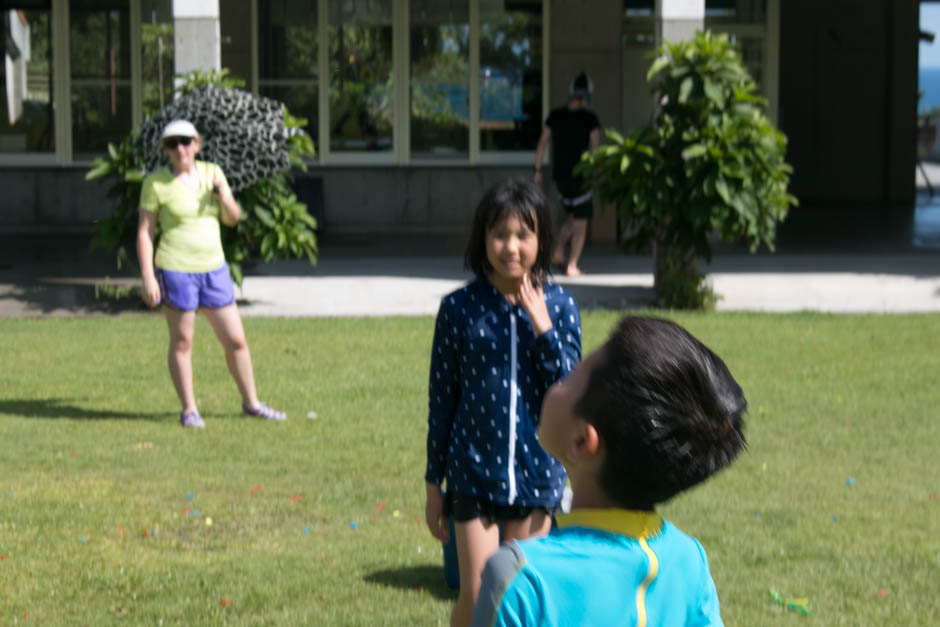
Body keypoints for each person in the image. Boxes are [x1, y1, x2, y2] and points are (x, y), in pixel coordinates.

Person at [471, 315, 748, 627]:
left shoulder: (522, 578)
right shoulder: (688, 562)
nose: (558, 382)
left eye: (570, 377)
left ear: (582, 442)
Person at [425, 178, 582, 627]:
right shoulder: (460, 308)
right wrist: (434, 482)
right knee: (478, 594)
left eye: (523, 235)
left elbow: (570, 390)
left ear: (541, 240)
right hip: (473, 473)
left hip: (536, 473)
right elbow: (442, 399)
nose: (510, 247)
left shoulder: (560, 306)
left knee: (523, 599)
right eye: (499, 234)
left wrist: (542, 327)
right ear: (483, 239)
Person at [136, 119, 286, 429]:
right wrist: (149, 277)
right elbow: (145, 232)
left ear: (197, 144)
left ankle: (252, 404)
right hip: (177, 270)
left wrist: (222, 196)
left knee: (236, 340)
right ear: (165, 150)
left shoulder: (212, 174)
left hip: (214, 269)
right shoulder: (156, 183)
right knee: (182, 342)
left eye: (186, 141)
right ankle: (189, 410)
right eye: (172, 143)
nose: (180, 148)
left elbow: (232, 219)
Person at [534, 72, 602, 278]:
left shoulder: (555, 115)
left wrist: (537, 171)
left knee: (572, 217)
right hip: (581, 178)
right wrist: (597, 172)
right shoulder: (590, 118)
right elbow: (596, 148)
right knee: (581, 222)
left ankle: (557, 250)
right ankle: (572, 265)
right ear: (587, 95)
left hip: (560, 178)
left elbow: (542, 143)